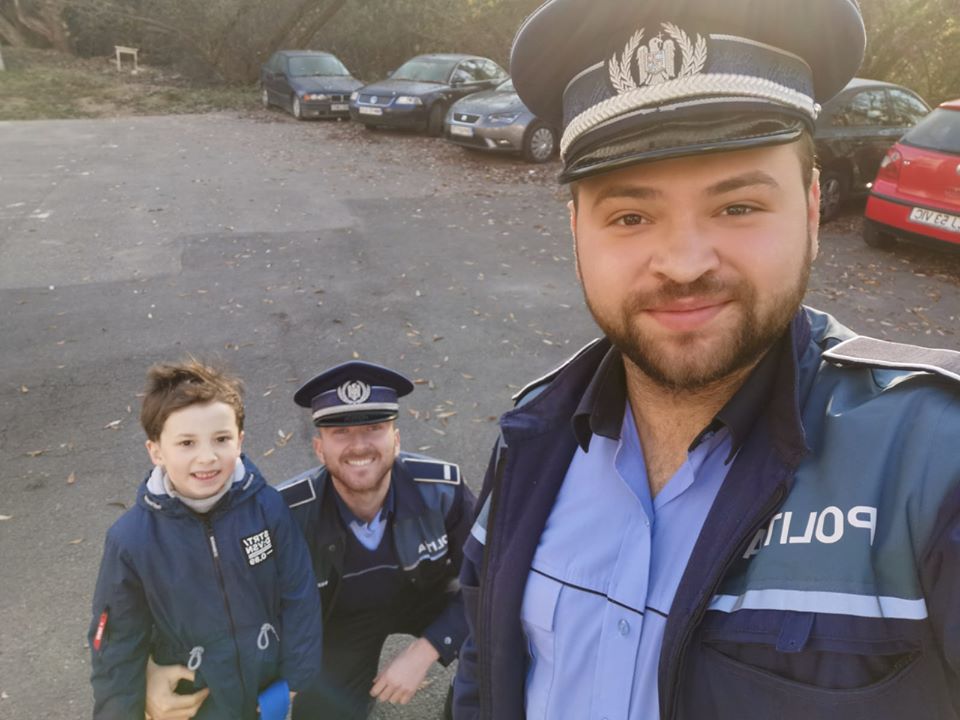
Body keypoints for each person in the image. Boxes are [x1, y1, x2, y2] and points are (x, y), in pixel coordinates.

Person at [452, 1, 960, 719]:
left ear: (813, 210)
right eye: (630, 217)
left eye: (738, 207)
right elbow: (484, 670)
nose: (684, 264)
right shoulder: (531, 436)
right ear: (577, 232)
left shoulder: (932, 461)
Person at [146, 360, 476, 720]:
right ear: (319, 448)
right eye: (341, 432)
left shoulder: (441, 490)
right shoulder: (285, 510)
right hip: (340, 620)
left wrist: (429, 647)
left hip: (427, 599)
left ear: (396, 441)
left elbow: (491, 577)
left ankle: (468, 705)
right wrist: (152, 664)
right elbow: (222, 589)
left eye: (374, 428)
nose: (359, 446)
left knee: (497, 636)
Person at [88, 360, 323, 720]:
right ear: (156, 451)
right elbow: (116, 641)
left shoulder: (268, 508)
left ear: (240, 441)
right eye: (186, 443)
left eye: (221, 439)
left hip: (266, 689)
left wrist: (296, 677)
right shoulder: (131, 540)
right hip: (195, 702)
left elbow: (299, 591)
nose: (207, 457)